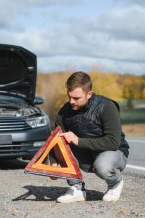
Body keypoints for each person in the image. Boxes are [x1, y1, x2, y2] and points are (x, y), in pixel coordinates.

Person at [53, 71, 129, 203]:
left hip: (112, 152)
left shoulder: (107, 107)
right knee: (62, 149)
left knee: (103, 165)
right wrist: (54, 163)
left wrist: (78, 141)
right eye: (69, 97)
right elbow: (56, 140)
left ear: (89, 94)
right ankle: (76, 188)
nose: (71, 102)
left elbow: (113, 142)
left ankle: (115, 183)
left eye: (76, 98)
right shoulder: (64, 111)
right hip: (85, 153)